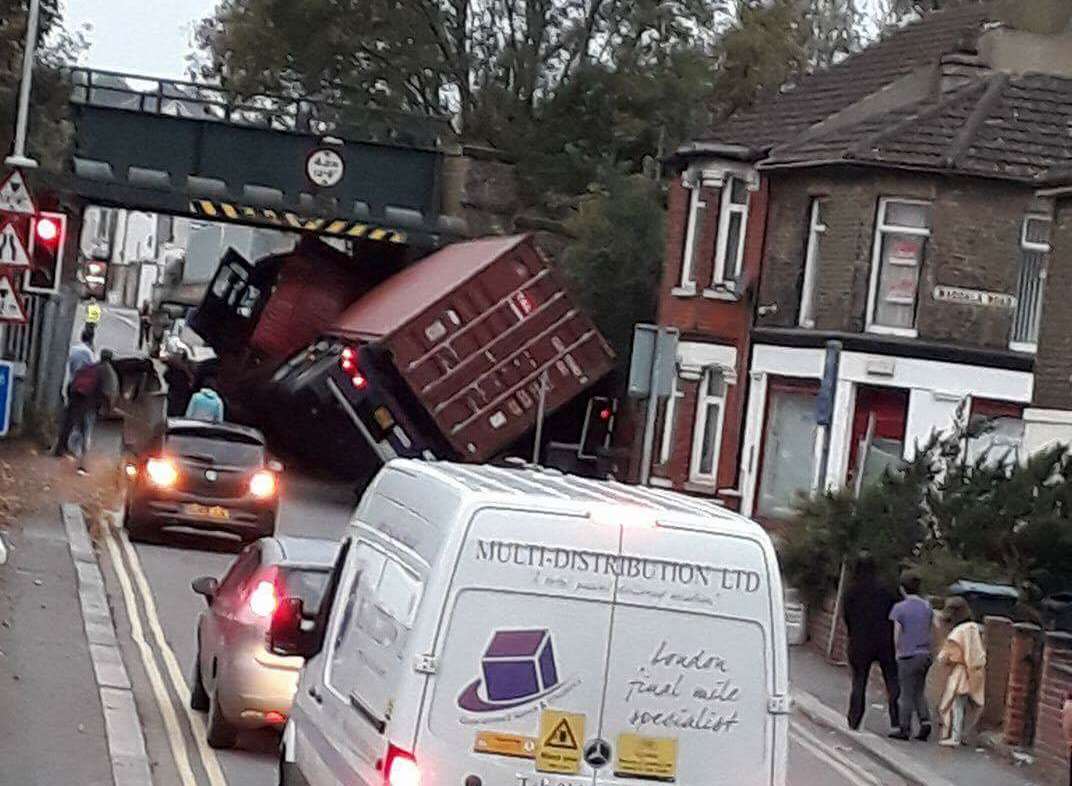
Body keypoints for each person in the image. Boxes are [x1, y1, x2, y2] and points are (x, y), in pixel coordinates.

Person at [843, 551, 901, 732]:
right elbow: (898, 608)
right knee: (892, 681)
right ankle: (896, 720)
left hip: (860, 641)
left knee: (859, 681)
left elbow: (846, 616)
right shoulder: (886, 588)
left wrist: (853, 633)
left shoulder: (851, 590)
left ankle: (854, 720)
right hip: (884, 640)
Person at [889, 571, 934, 741]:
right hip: (925, 654)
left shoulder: (899, 608)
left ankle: (904, 728)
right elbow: (931, 628)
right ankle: (925, 722)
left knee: (906, 693)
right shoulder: (927, 606)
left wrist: (896, 652)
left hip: (908, 654)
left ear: (902, 589)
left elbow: (897, 632)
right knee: (919, 691)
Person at [936, 596, 986, 747]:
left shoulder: (958, 632)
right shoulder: (974, 628)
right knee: (970, 705)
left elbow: (949, 655)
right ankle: (964, 734)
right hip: (976, 671)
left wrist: (943, 658)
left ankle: (955, 736)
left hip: (961, 672)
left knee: (956, 705)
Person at [53, 327, 96, 458]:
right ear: (91, 339)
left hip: (72, 386)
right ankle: (78, 449)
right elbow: (92, 372)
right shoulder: (89, 354)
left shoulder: (73, 350)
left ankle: (63, 446)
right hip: (83, 390)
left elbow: (68, 369)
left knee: (68, 419)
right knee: (82, 420)